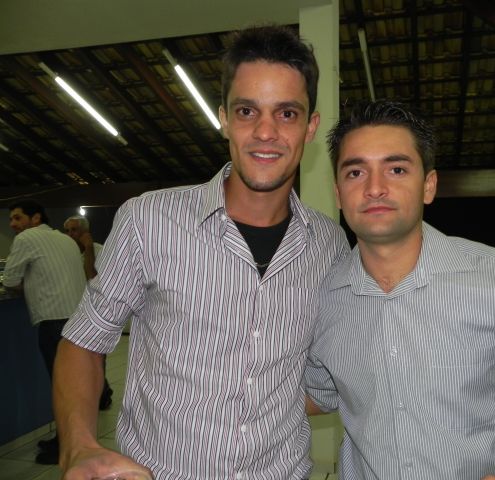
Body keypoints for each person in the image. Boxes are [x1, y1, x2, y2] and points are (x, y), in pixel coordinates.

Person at [54, 24, 349, 480]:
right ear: (224, 119)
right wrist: (79, 446)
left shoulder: (329, 245)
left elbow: (332, 366)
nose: (266, 132)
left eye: (287, 113)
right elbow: (84, 342)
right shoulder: (148, 221)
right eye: (247, 111)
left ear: (310, 126)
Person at [305, 100, 495, 479]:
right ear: (338, 194)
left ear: (428, 186)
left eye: (397, 169)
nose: (375, 188)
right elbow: (319, 392)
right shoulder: (324, 297)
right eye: (355, 172)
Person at [2, 200, 87, 465]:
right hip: (77, 320)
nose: (12, 224)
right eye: (11, 219)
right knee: (73, 387)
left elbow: (10, 280)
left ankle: (65, 447)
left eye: (18, 218)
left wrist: (26, 283)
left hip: (55, 323)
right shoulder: (64, 239)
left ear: (36, 218)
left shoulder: (26, 238)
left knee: (63, 389)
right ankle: (66, 439)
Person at [64, 215, 114, 411]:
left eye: (74, 230)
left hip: (97, 312)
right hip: (74, 310)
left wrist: (89, 249)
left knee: (96, 357)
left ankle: (101, 395)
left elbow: (92, 278)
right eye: (67, 231)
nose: (70, 235)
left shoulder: (100, 250)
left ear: (85, 232)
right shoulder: (66, 253)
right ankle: (101, 392)